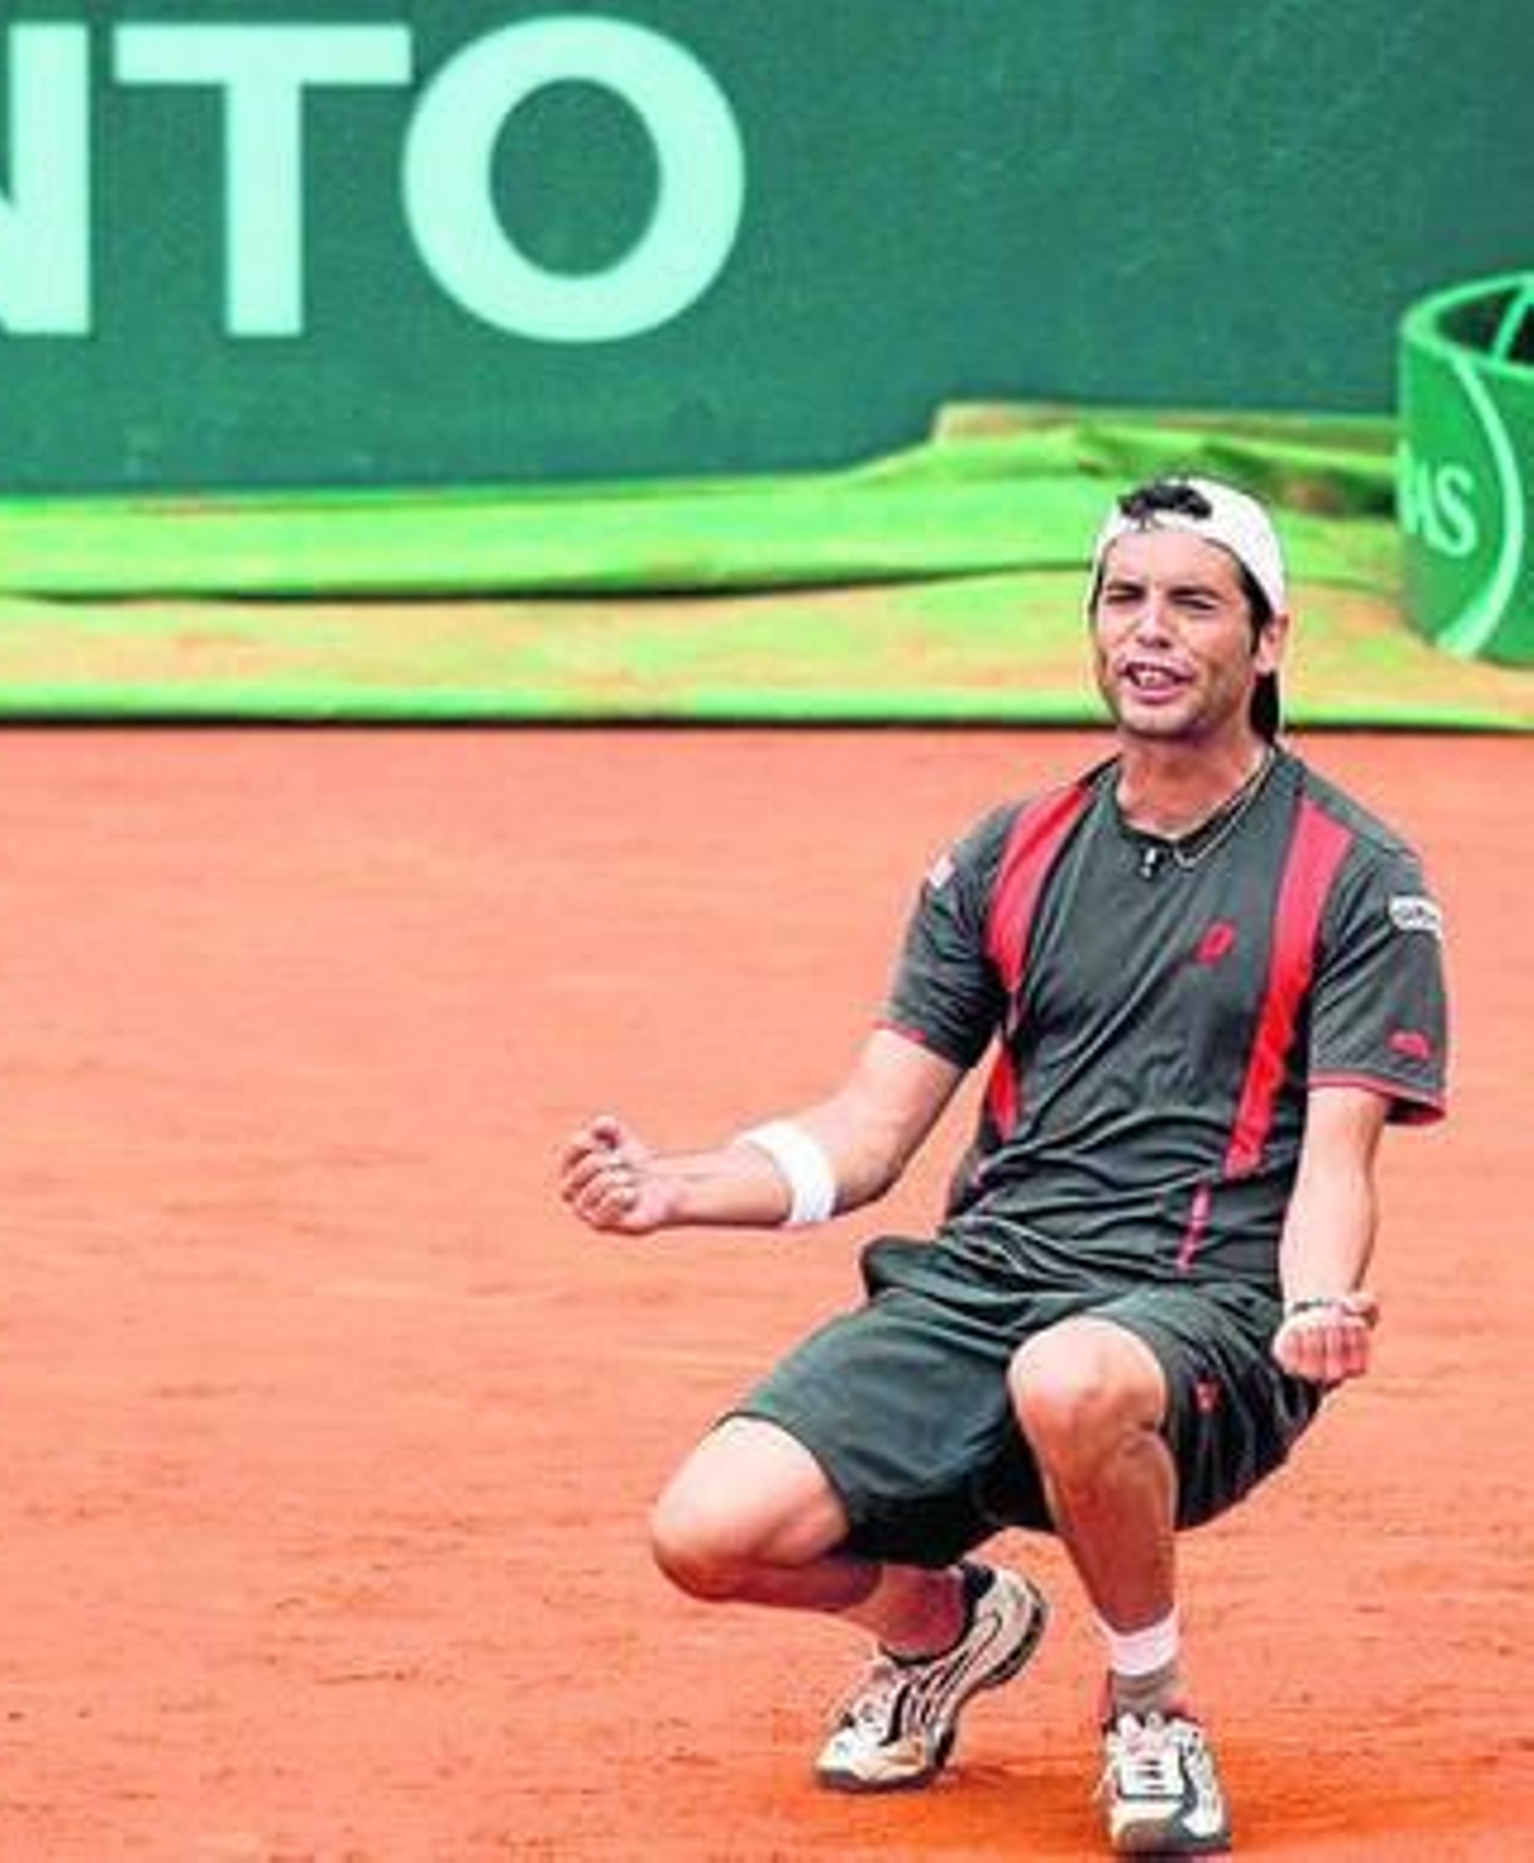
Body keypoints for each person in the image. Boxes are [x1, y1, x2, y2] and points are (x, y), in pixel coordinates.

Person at [557, 475, 1448, 1856]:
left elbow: (1340, 1156)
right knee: (710, 1533)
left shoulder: (1353, 874)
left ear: (1268, 643)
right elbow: (867, 1134)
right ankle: (945, 1625)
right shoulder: (1006, 853)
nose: (1150, 633)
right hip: (985, 1285)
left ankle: (1148, 1705)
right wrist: (682, 1188)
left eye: (1194, 604)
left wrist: (1321, 1299)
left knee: (1072, 1374)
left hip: (1205, 1306)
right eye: (1124, 601)